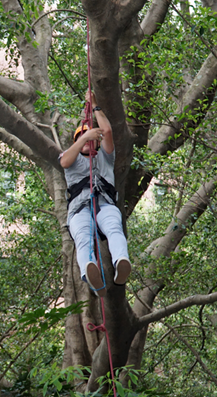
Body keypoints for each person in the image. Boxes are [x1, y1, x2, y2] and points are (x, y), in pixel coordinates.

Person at [59, 91, 131, 297]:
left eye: (92, 139)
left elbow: (107, 131)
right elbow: (64, 161)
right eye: (83, 139)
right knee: (82, 236)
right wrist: (85, 137)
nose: (90, 142)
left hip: (105, 206)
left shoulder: (105, 158)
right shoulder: (71, 160)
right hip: (80, 210)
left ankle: (121, 261)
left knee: (114, 227)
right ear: (78, 141)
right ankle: (89, 270)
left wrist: (96, 106)